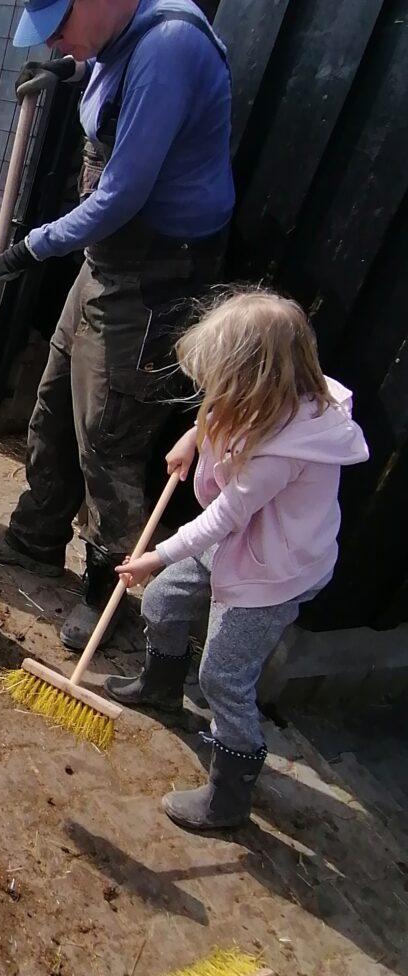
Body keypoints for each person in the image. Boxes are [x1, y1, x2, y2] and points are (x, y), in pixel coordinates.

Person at [0, 0, 234, 651]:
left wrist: (28, 249)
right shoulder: (114, 31)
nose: (55, 37)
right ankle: (36, 530)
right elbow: (102, 70)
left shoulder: (169, 46)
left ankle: (110, 598)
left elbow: (121, 193)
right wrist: (71, 69)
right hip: (108, 259)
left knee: (110, 442)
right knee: (53, 404)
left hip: (154, 272)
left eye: (60, 25)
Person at [108, 291, 368, 832]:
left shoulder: (287, 450)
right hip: (241, 538)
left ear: (256, 376)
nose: (212, 391)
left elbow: (222, 517)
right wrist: (192, 436)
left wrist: (153, 556)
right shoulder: (269, 398)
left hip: (274, 568)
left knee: (224, 677)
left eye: (222, 377)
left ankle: (229, 795)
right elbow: (222, 411)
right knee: (161, 602)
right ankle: (159, 690)